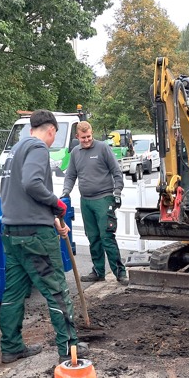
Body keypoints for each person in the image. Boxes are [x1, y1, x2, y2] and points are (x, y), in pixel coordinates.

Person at [0, 109, 88, 364]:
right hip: (35, 236)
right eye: (53, 136)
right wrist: (56, 205)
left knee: (14, 294)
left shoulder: (16, 149)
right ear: (51, 130)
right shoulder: (38, 148)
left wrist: (49, 217)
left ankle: (11, 347)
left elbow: (19, 193)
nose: (51, 141)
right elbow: (32, 184)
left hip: (12, 232)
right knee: (57, 291)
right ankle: (69, 349)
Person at [62, 121, 129, 285]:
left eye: (89, 136)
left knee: (107, 237)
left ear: (92, 134)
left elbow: (116, 171)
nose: (86, 140)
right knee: (93, 238)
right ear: (77, 136)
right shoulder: (75, 153)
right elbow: (70, 176)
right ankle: (98, 271)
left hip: (104, 199)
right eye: (83, 137)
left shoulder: (103, 148)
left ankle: (120, 273)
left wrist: (117, 191)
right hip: (86, 201)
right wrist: (66, 191)